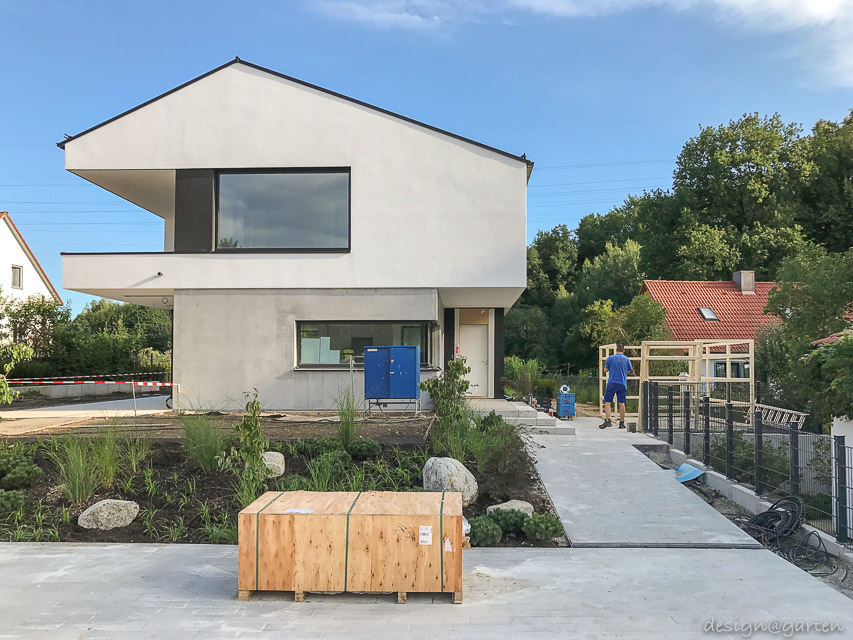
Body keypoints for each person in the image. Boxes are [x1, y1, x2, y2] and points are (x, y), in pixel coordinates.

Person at [600, 344, 632, 429]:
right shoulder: (627, 359)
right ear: (623, 350)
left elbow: (605, 370)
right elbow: (629, 371)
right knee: (621, 403)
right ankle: (621, 423)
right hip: (622, 384)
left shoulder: (610, 358)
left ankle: (608, 420)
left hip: (612, 383)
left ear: (616, 350)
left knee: (607, 402)